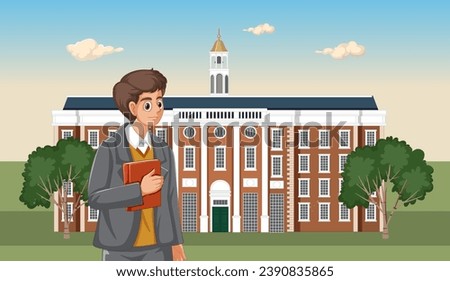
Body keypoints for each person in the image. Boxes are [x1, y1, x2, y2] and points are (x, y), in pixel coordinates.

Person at [88, 69, 186, 261]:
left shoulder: (164, 150)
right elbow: (95, 197)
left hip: (158, 248)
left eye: (160, 102)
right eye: (148, 104)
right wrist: (138, 191)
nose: (157, 110)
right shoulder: (110, 148)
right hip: (119, 247)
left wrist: (176, 244)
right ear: (133, 108)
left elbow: (170, 201)